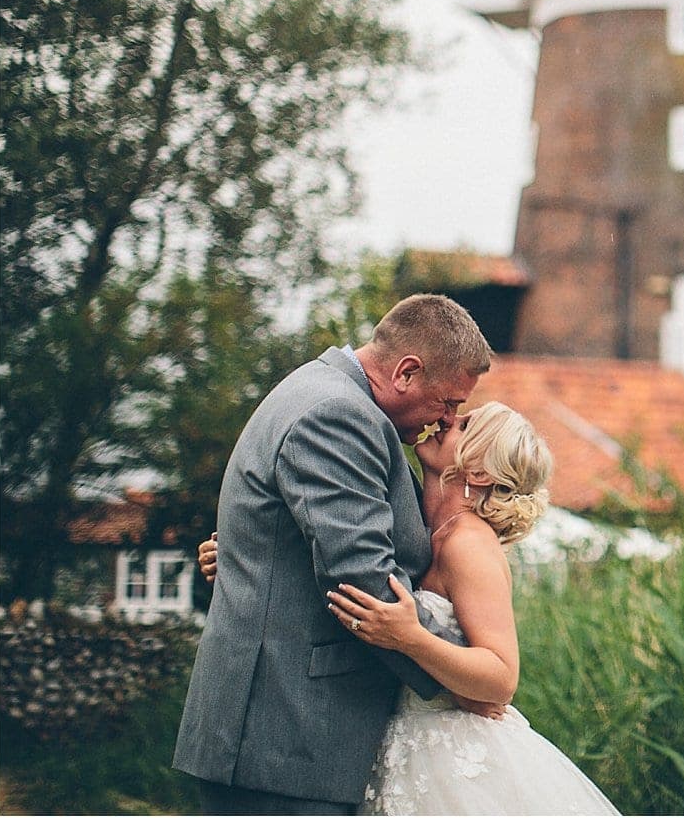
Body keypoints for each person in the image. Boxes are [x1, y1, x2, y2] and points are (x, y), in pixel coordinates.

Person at [204, 402, 618, 815]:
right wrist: (249, 559)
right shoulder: (421, 529)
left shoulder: (469, 544)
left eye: (466, 424)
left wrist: (412, 638)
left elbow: (500, 678)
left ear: (478, 473)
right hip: (397, 740)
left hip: (455, 758)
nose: (448, 419)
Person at [174, 294, 495, 815]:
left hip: (282, 739)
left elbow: (286, 542)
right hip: (285, 739)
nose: (447, 419)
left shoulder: (319, 392)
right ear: (407, 372)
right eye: (447, 402)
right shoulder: (338, 414)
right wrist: (466, 679)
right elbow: (363, 583)